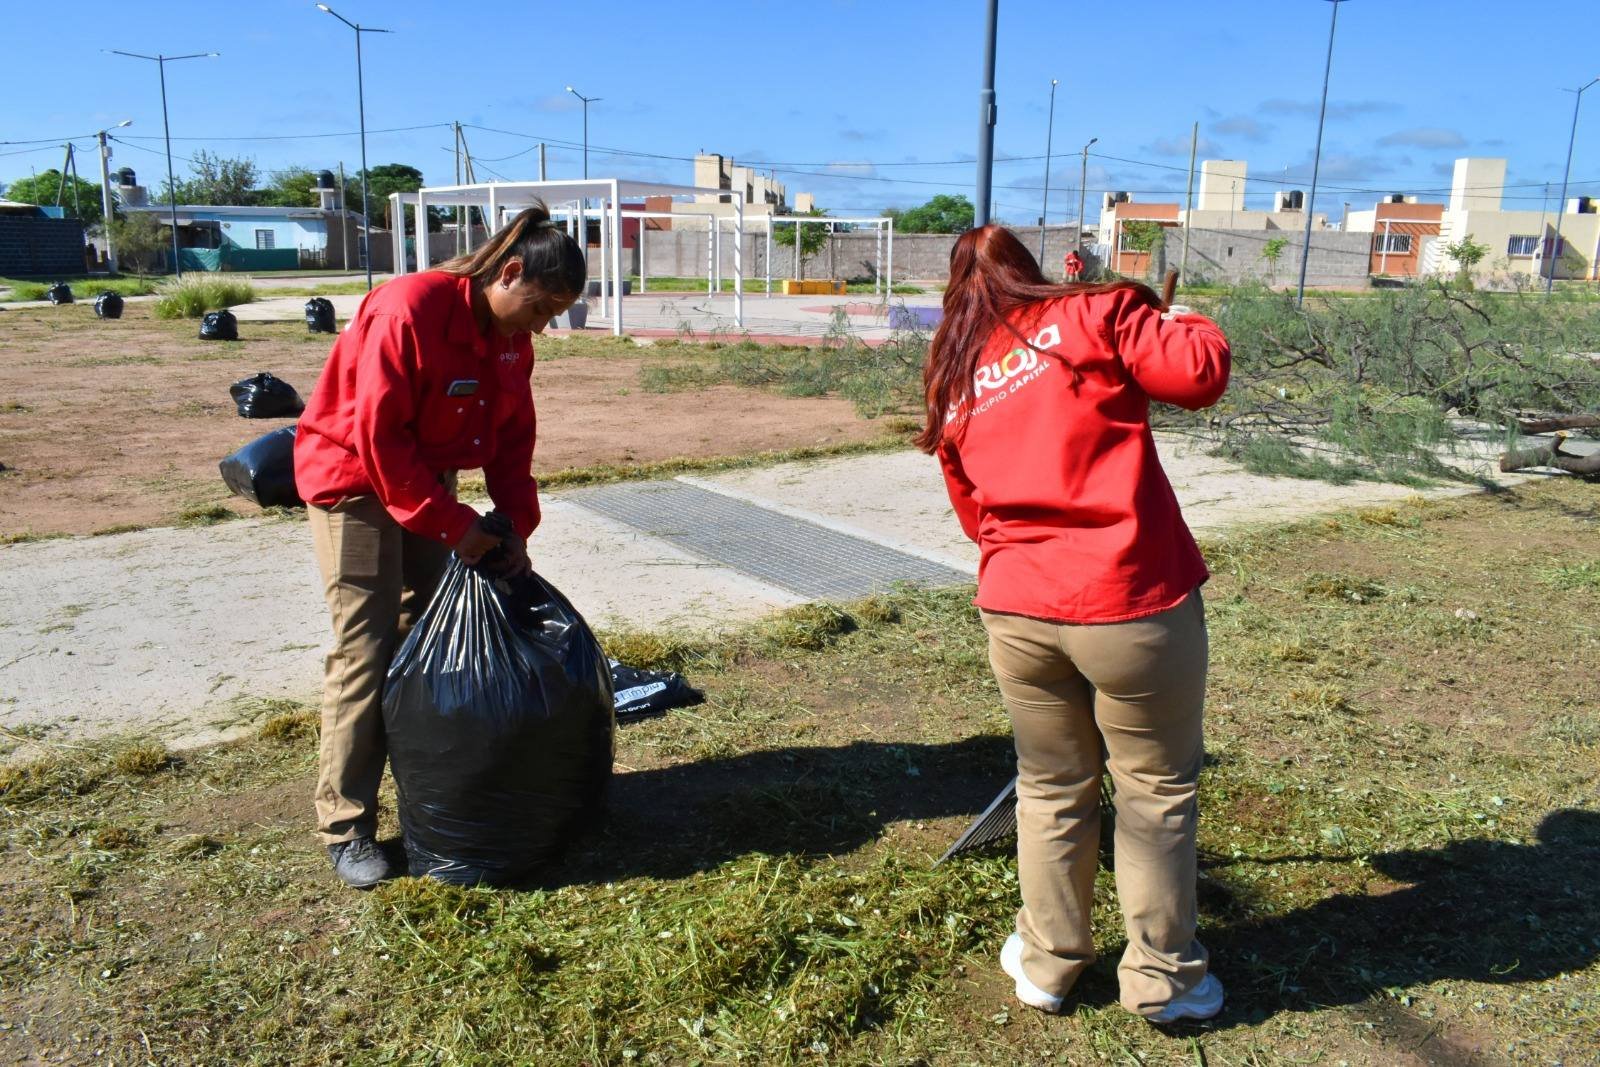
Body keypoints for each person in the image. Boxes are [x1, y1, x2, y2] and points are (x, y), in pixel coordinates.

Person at [918, 225, 1230, 1022]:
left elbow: (971, 509)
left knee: (1051, 786)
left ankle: (1048, 961)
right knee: (1155, 788)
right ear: (1030, 274)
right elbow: (1199, 374)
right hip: (1129, 600)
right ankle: (1165, 979)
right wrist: (1184, 320)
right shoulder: (1099, 310)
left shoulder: (956, 371)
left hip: (1017, 608)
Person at [293, 204, 586, 888]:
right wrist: (454, 525)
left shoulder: (511, 339)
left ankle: (431, 794)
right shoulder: (409, 309)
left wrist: (514, 526)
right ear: (510, 272)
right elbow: (379, 436)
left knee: (424, 636)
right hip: (354, 480)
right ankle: (346, 825)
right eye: (541, 308)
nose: (541, 327)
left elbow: (512, 439)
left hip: (426, 479)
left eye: (554, 316)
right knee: (366, 649)